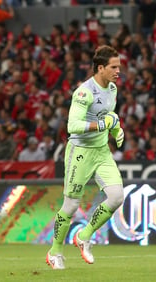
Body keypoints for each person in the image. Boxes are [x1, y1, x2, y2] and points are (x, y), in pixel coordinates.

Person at [46, 45, 125, 270]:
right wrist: (103, 124)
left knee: (117, 196)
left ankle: (84, 235)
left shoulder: (112, 89)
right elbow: (73, 125)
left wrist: (116, 129)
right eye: (114, 67)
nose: (118, 71)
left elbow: (108, 116)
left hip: (101, 151)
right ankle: (55, 252)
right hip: (80, 152)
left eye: (118, 67)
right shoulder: (84, 92)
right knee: (70, 206)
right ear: (100, 68)